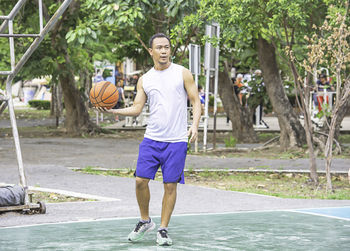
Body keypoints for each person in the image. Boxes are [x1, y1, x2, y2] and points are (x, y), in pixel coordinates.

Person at [97, 33, 201, 246]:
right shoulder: (145, 79)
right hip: (152, 139)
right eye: (159, 48)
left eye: (167, 47)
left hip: (177, 140)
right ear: (151, 51)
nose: (163, 51)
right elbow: (137, 108)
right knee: (139, 181)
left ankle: (163, 229)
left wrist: (195, 125)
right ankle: (145, 221)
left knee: (170, 185)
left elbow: (196, 101)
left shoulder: (183, 73)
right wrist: (112, 110)